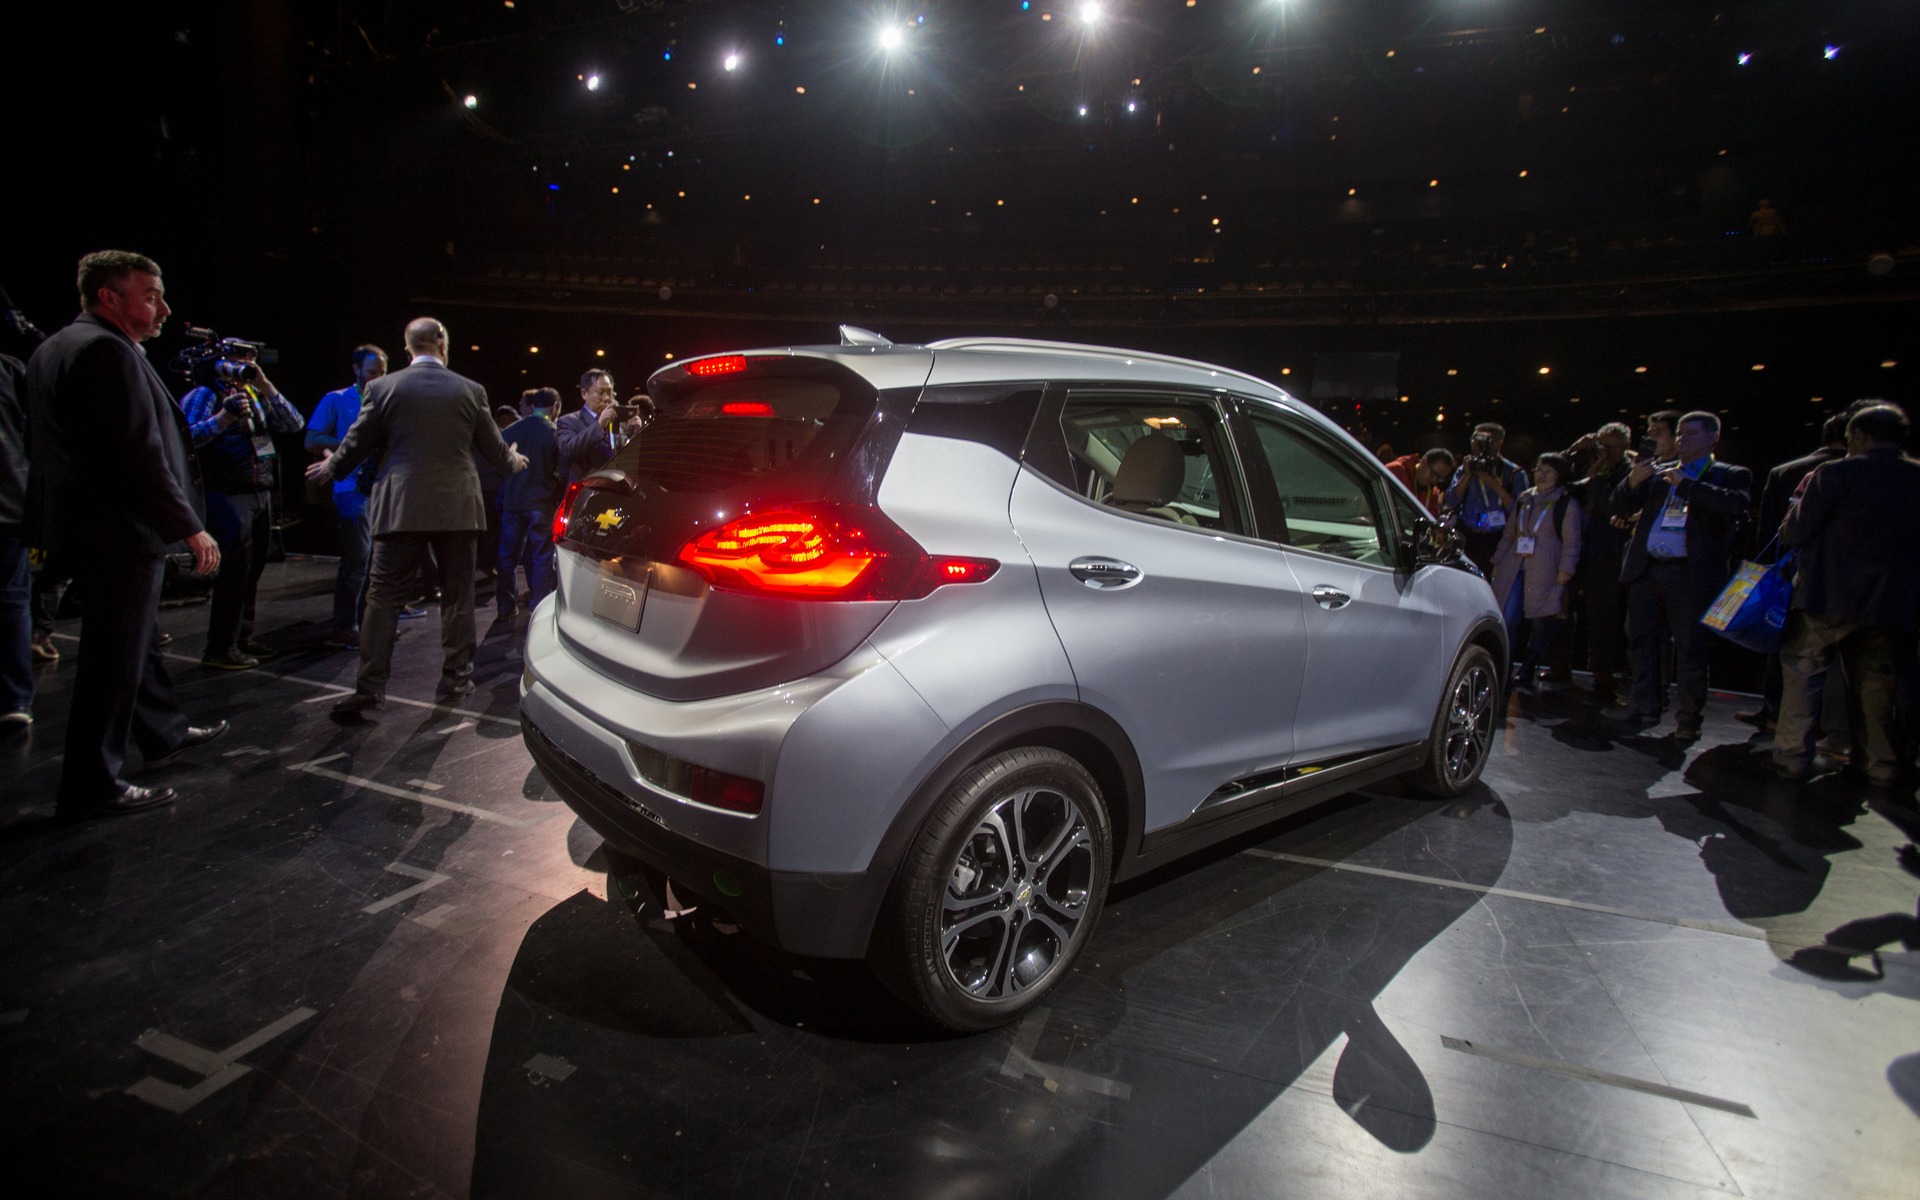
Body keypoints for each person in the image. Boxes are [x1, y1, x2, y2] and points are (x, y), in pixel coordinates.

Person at [24, 251, 226, 816]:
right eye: (151, 295)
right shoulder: (105, 352)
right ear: (109, 297)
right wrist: (188, 527)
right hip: (118, 531)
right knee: (113, 657)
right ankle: (93, 784)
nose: (163, 307)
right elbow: (137, 452)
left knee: (133, 643)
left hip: (85, 526)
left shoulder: (55, 347)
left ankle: (162, 729)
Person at [304, 317, 525, 719]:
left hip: (400, 506)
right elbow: (497, 452)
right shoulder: (470, 390)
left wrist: (330, 469)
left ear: (407, 349)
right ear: (444, 345)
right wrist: (516, 460)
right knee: (458, 600)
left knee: (383, 600)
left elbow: (356, 442)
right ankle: (458, 680)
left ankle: (370, 693)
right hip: (458, 508)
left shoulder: (383, 388)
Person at [1771, 404, 1920, 787]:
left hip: (1828, 594)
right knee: (1876, 682)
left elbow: (1796, 531)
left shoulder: (1835, 473)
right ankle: (1880, 764)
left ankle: (1792, 756)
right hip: (1891, 600)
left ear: (1860, 437)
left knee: (1804, 668)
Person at [1606, 411, 1752, 740]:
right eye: (1681, 434)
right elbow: (1617, 504)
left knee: (1690, 649)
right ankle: (1643, 706)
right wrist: (1633, 480)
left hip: (1689, 573)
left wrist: (1687, 485)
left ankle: (1687, 719)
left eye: (1692, 434)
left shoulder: (1729, 474)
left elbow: (1733, 506)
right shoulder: (1659, 475)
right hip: (1649, 568)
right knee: (1640, 641)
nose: (1683, 440)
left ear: (1713, 437)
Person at [180, 345, 305, 670]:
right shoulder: (204, 395)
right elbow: (184, 439)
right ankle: (220, 647)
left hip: (258, 490)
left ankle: (241, 637)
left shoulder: (254, 391)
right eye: (238, 359)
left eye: (250, 359)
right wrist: (224, 418)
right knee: (234, 571)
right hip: (225, 492)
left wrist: (266, 386)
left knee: (253, 569)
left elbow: (293, 424)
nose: (245, 364)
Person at [1741, 412, 1850, 730]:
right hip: (1863, 586)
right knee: (1853, 665)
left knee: (1790, 652)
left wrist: (1765, 574)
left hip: (1796, 575)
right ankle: (1840, 735)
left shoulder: (1789, 472)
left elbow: (1777, 531)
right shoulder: (1896, 476)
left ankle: (1779, 720)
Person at [305, 345, 388, 651]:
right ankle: (344, 627)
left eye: (382, 372)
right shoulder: (337, 399)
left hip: (382, 490)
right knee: (357, 559)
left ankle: (369, 623)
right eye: (371, 372)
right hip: (351, 489)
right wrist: (352, 444)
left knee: (379, 562)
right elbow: (312, 439)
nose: (377, 378)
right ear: (356, 370)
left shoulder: (386, 400)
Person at [1490, 453, 1583, 693]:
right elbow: (1509, 534)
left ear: (1559, 475)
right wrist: (1498, 560)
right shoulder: (1524, 499)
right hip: (1515, 567)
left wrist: (1565, 570)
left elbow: (1572, 542)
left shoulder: (1566, 503)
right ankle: (1505, 668)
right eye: (1538, 470)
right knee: (1507, 619)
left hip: (1546, 570)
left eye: (1548, 471)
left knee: (1541, 623)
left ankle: (1528, 669)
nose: (1541, 475)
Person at [1558, 422, 1635, 702]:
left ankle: (1602, 675)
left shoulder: (1630, 470)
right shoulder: (1589, 463)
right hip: (1577, 548)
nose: (1607, 451)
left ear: (1626, 445)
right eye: (1603, 445)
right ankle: (1559, 667)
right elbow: (1564, 487)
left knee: (1602, 617)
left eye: (1614, 446)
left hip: (1607, 554)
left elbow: (1612, 505)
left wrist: (1596, 477)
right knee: (1563, 610)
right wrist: (1573, 450)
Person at [496, 387, 563, 622]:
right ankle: (539, 605)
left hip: (513, 502)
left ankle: (506, 606)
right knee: (542, 556)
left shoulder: (512, 430)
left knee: (507, 558)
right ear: (555, 407)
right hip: (542, 503)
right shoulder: (554, 432)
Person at [1442, 421, 1529, 576]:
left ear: (1498, 443)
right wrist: (1468, 475)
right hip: (1467, 535)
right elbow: (1451, 500)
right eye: (1474, 439)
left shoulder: (1514, 473)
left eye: (1483, 440)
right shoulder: (1466, 469)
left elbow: (1520, 510)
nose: (1477, 444)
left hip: (1496, 539)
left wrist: (1494, 485)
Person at [0, 348, 28, 729]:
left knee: (10, 600)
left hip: (7, 503)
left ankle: (13, 697)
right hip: (8, 501)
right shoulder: (9, 368)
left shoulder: (11, 368)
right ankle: (13, 698)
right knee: (10, 599)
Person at [556, 368, 643, 484]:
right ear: (584, 393)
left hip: (619, 490)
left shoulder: (619, 420)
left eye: (610, 393)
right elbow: (569, 450)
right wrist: (599, 425)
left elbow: (631, 458)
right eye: (601, 393)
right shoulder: (568, 421)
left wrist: (637, 434)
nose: (607, 398)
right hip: (587, 490)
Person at [1384, 447, 1455, 515]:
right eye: (1433, 473)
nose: (1434, 480)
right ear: (1424, 461)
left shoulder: (1433, 494)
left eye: (1439, 478)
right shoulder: (1395, 471)